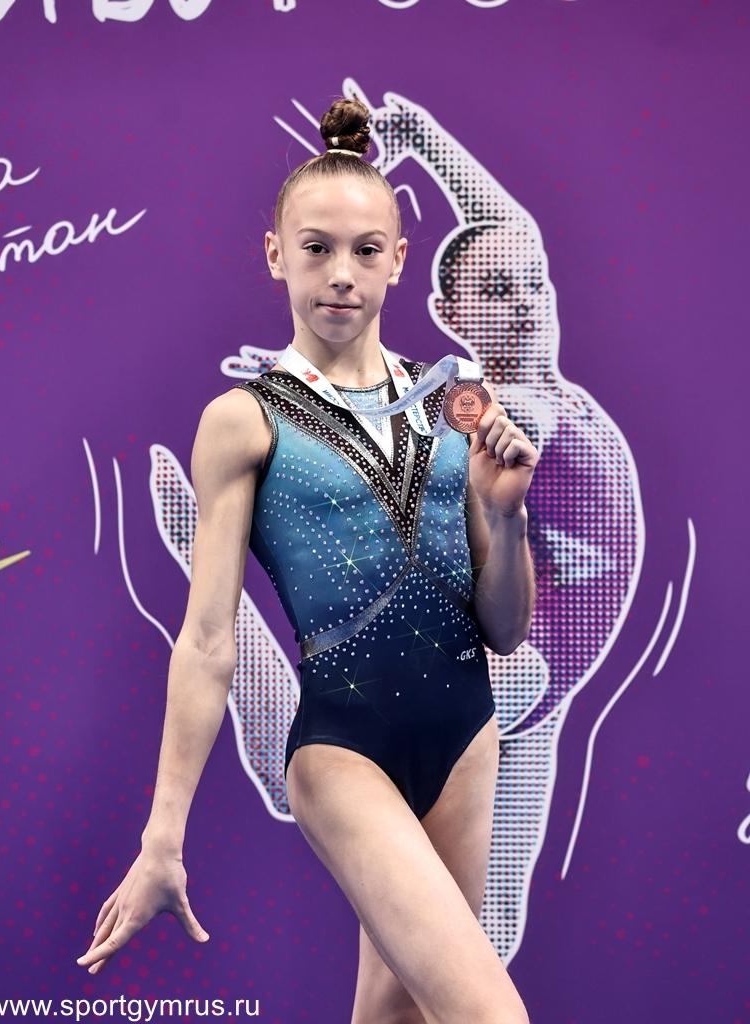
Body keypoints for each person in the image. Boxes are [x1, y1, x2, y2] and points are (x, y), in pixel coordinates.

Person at [76, 96, 538, 1024]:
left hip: (466, 742)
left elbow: (503, 628)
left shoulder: (459, 405)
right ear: (275, 254)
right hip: (343, 752)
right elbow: (208, 641)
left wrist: (505, 514)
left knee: (398, 1014)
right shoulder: (244, 420)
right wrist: (163, 836)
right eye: (316, 248)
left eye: (365, 251)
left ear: (398, 260)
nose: (340, 275)